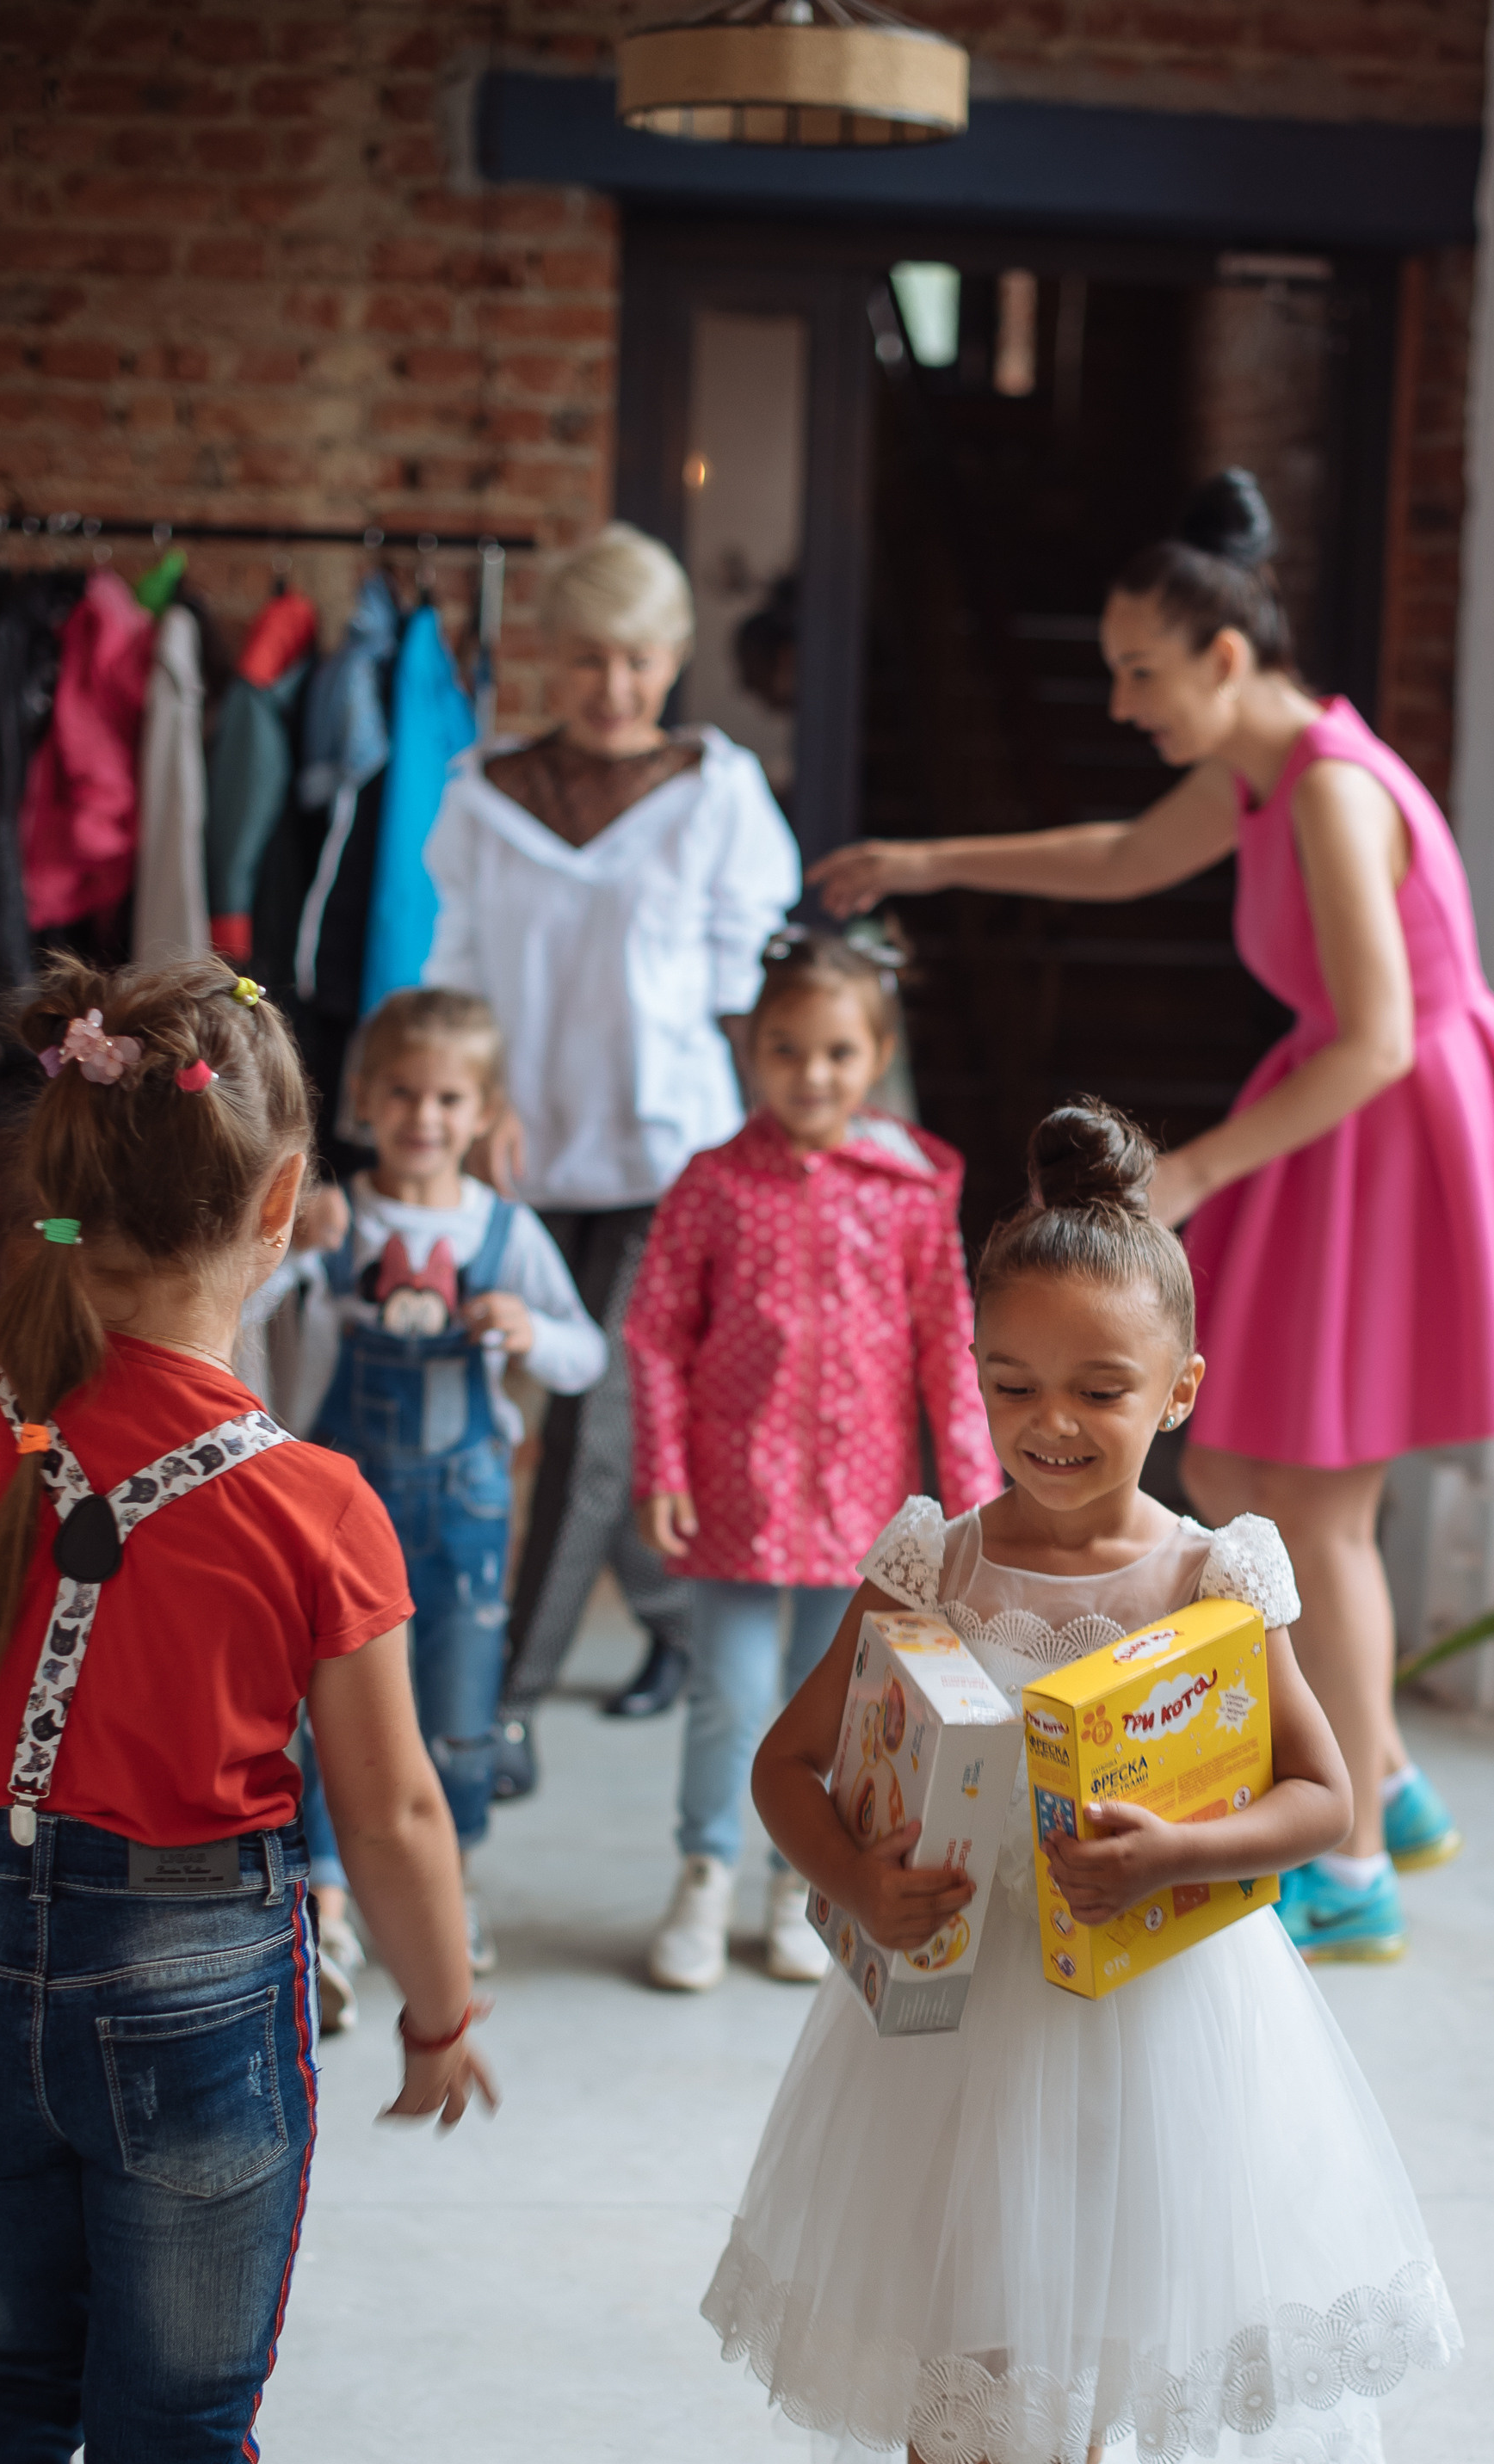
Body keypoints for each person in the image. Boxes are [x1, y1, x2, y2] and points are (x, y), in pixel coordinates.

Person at [711, 1103, 1461, 2464]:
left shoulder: (1213, 1576)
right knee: (967, 2302)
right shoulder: (933, 1562)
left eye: (1100, 1390)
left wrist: (1179, 1851)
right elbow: (786, 1766)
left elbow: (1325, 1795)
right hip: (962, 2000)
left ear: (1178, 1392)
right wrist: (859, 1882)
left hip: (1156, 1997)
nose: (1051, 1423)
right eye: (1014, 1383)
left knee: (1103, 2232)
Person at [813, 471, 1494, 1964]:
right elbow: (1118, 857)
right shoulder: (1259, 771)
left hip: (1388, 1123)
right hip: (1341, 1119)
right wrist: (930, 861)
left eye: (1140, 674)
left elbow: (1379, 1037)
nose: (1121, 705)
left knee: (1317, 1503)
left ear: (1225, 658)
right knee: (1236, 1464)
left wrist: (1196, 1172)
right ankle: (1390, 1778)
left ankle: (1351, 1858)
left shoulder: (1332, 790)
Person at [0, 957, 494, 2464]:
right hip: (196, 1994)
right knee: (178, 2434)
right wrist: (440, 2008)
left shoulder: (6, 1438)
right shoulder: (314, 1502)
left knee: (1, 2396)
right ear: (287, 1203)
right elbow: (396, 1814)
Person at [421, 522, 799, 1793]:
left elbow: (749, 991)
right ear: (551, 655)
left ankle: (498, 1709)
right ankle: (678, 1622)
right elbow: (455, 971)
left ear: (676, 656)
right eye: (588, 658)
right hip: (524, 1149)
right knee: (585, 1418)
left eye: (639, 659)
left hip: (669, 1155)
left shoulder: (716, 791)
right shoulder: (484, 793)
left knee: (590, 1424)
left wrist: (773, 1149)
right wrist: (481, 1100)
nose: (614, 686)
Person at [623, 929, 1000, 1991]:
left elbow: (948, 1349)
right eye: (784, 1049)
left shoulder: (909, 1191)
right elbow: (655, 1332)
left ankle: (802, 1878)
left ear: (877, 1054)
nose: (811, 1074)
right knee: (727, 1693)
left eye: (837, 1051)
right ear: (750, 1051)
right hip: (733, 1492)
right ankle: (704, 1870)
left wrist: (976, 1500)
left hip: (861, 1502)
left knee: (829, 1704)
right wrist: (662, 1467)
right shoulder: (710, 1184)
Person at [270, 986, 608, 1982]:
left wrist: (531, 1331)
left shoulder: (507, 1232)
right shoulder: (335, 1218)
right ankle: (330, 1900)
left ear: (485, 1112)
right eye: (403, 1093)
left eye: (449, 1098)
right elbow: (240, 1305)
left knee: (458, 1703)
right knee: (334, 1702)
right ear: (363, 1099)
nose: (424, 1116)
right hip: (343, 1507)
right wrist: (293, 1244)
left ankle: (447, 1882)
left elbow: (586, 1355)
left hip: (465, 1511)